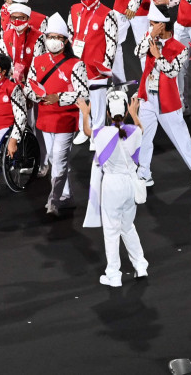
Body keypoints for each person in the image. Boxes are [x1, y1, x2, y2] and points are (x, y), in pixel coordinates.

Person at [134, 4, 191, 187]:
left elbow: (172, 72)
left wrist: (158, 56)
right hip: (147, 97)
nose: (150, 28)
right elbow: (137, 52)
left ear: (162, 25)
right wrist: (151, 36)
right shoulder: (149, 38)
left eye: (153, 25)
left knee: (180, 136)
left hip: (167, 100)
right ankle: (144, 172)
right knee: (144, 136)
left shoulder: (180, 48)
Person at [80, 90, 149, 286]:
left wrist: (85, 114)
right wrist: (134, 113)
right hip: (130, 185)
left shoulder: (102, 133)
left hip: (111, 186)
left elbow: (86, 132)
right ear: (125, 112)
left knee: (111, 230)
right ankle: (140, 265)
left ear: (108, 114)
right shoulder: (133, 131)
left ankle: (114, 275)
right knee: (127, 226)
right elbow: (140, 129)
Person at [23, 13, 89, 215]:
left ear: (65, 41)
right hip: (45, 118)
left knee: (59, 160)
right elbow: (28, 87)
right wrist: (35, 95)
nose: (53, 41)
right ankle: (67, 196)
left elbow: (83, 92)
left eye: (58, 38)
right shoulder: (38, 61)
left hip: (65, 119)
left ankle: (54, 202)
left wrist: (58, 98)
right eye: (50, 37)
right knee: (53, 157)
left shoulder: (76, 64)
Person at [67, 0, 118, 143]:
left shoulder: (108, 13)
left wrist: (106, 66)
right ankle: (84, 128)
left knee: (97, 103)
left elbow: (112, 42)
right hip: (77, 64)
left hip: (96, 67)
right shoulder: (74, 9)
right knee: (80, 99)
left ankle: (98, 133)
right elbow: (69, 34)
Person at [0, 2, 44, 85]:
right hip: (10, 77)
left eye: (21, 18)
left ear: (28, 19)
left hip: (32, 80)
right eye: (14, 18)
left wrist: (26, 85)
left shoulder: (39, 37)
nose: (17, 21)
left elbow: (39, 64)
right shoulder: (5, 35)